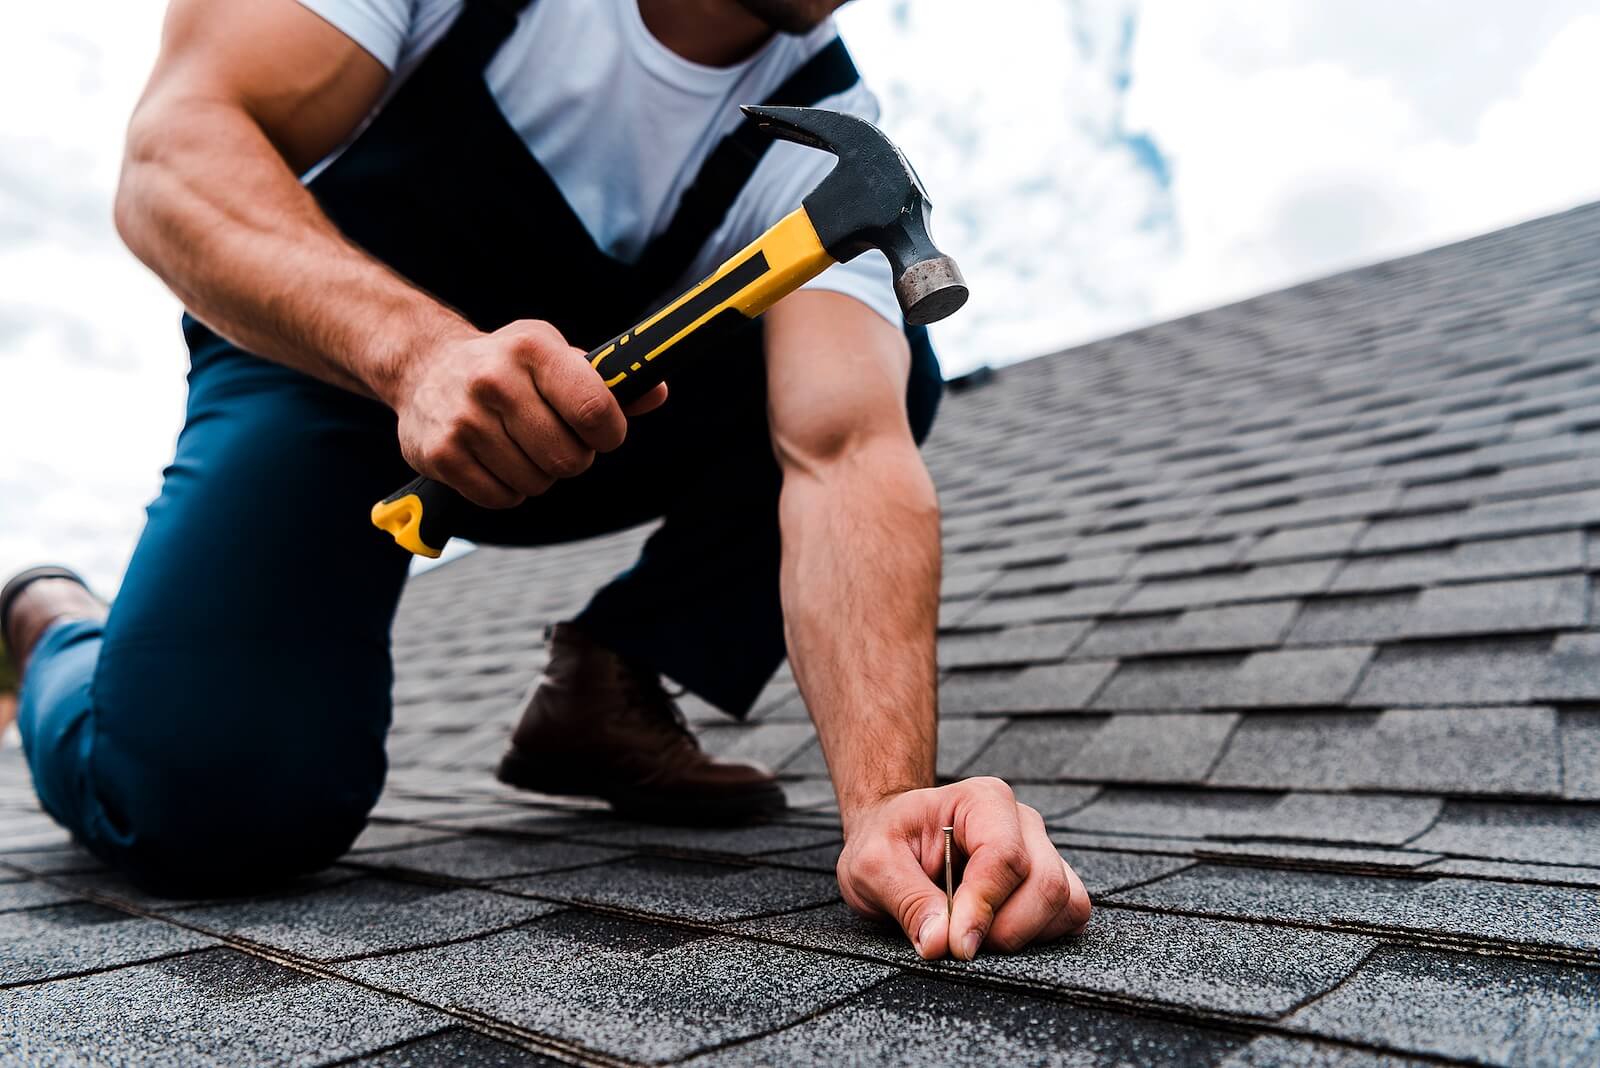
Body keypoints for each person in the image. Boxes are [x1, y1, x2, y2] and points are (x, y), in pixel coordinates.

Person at [1, 0, 1089, 961]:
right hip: (321, 378)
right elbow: (173, 156)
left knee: (893, 376)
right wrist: (414, 355)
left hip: (583, 430)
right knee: (211, 801)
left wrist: (893, 799)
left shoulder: (819, 141)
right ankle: (58, 627)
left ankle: (610, 686)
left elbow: (844, 454)